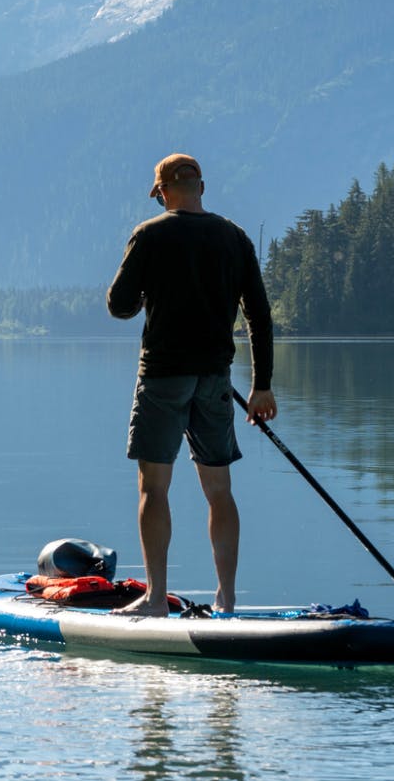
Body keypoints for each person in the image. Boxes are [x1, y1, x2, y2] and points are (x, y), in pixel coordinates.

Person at [106, 153, 277, 615]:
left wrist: (146, 294)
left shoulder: (149, 235)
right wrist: (261, 386)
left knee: (153, 489)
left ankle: (156, 599)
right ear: (202, 186)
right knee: (219, 491)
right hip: (216, 382)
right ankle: (227, 600)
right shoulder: (234, 237)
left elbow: (118, 305)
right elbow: (259, 315)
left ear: (162, 192)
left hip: (163, 377)